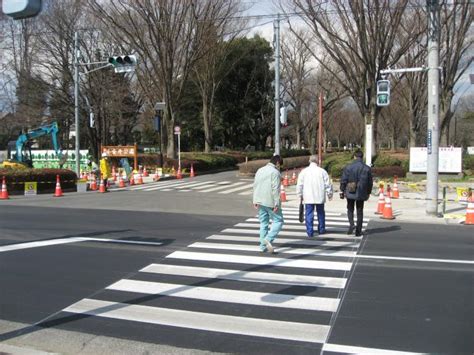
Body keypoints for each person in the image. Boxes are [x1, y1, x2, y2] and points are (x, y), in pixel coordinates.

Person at [252, 154, 284, 254]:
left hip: (260, 201)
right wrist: (276, 203)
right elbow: (275, 189)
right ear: (277, 163)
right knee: (278, 221)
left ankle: (262, 246)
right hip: (270, 201)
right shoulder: (275, 172)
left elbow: (255, 185)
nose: (280, 167)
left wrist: (255, 200)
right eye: (280, 165)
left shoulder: (260, 170)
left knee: (263, 223)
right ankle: (268, 239)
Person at [296, 155, 333, 237]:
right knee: (321, 213)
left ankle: (310, 231)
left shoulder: (304, 172)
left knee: (309, 214)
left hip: (308, 196)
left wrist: (300, 194)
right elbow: (328, 184)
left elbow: (299, 185)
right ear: (317, 161)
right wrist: (329, 194)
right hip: (320, 196)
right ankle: (321, 229)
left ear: (309, 161)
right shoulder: (322, 171)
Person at [340, 150, 373, 236]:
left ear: (354, 156)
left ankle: (351, 225)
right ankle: (358, 230)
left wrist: (342, 189)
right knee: (360, 210)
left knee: (350, 208)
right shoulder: (367, 168)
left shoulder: (348, 167)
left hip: (350, 190)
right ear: (362, 157)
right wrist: (368, 192)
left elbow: (344, 180)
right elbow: (370, 182)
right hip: (362, 191)